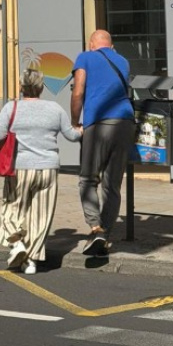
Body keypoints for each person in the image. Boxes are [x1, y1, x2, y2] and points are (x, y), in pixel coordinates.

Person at [0, 69, 82, 274]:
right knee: (41, 215)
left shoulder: (11, 108)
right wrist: (80, 130)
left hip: (20, 167)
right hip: (48, 169)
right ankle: (31, 261)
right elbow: (72, 136)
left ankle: (17, 243)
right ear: (41, 87)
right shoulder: (54, 108)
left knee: (12, 207)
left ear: (22, 87)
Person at [71, 29, 135, 256]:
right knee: (112, 183)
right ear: (112, 46)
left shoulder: (85, 57)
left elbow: (78, 92)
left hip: (98, 123)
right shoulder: (123, 61)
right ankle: (105, 232)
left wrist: (75, 121)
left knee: (88, 178)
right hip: (125, 123)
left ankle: (95, 226)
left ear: (91, 44)